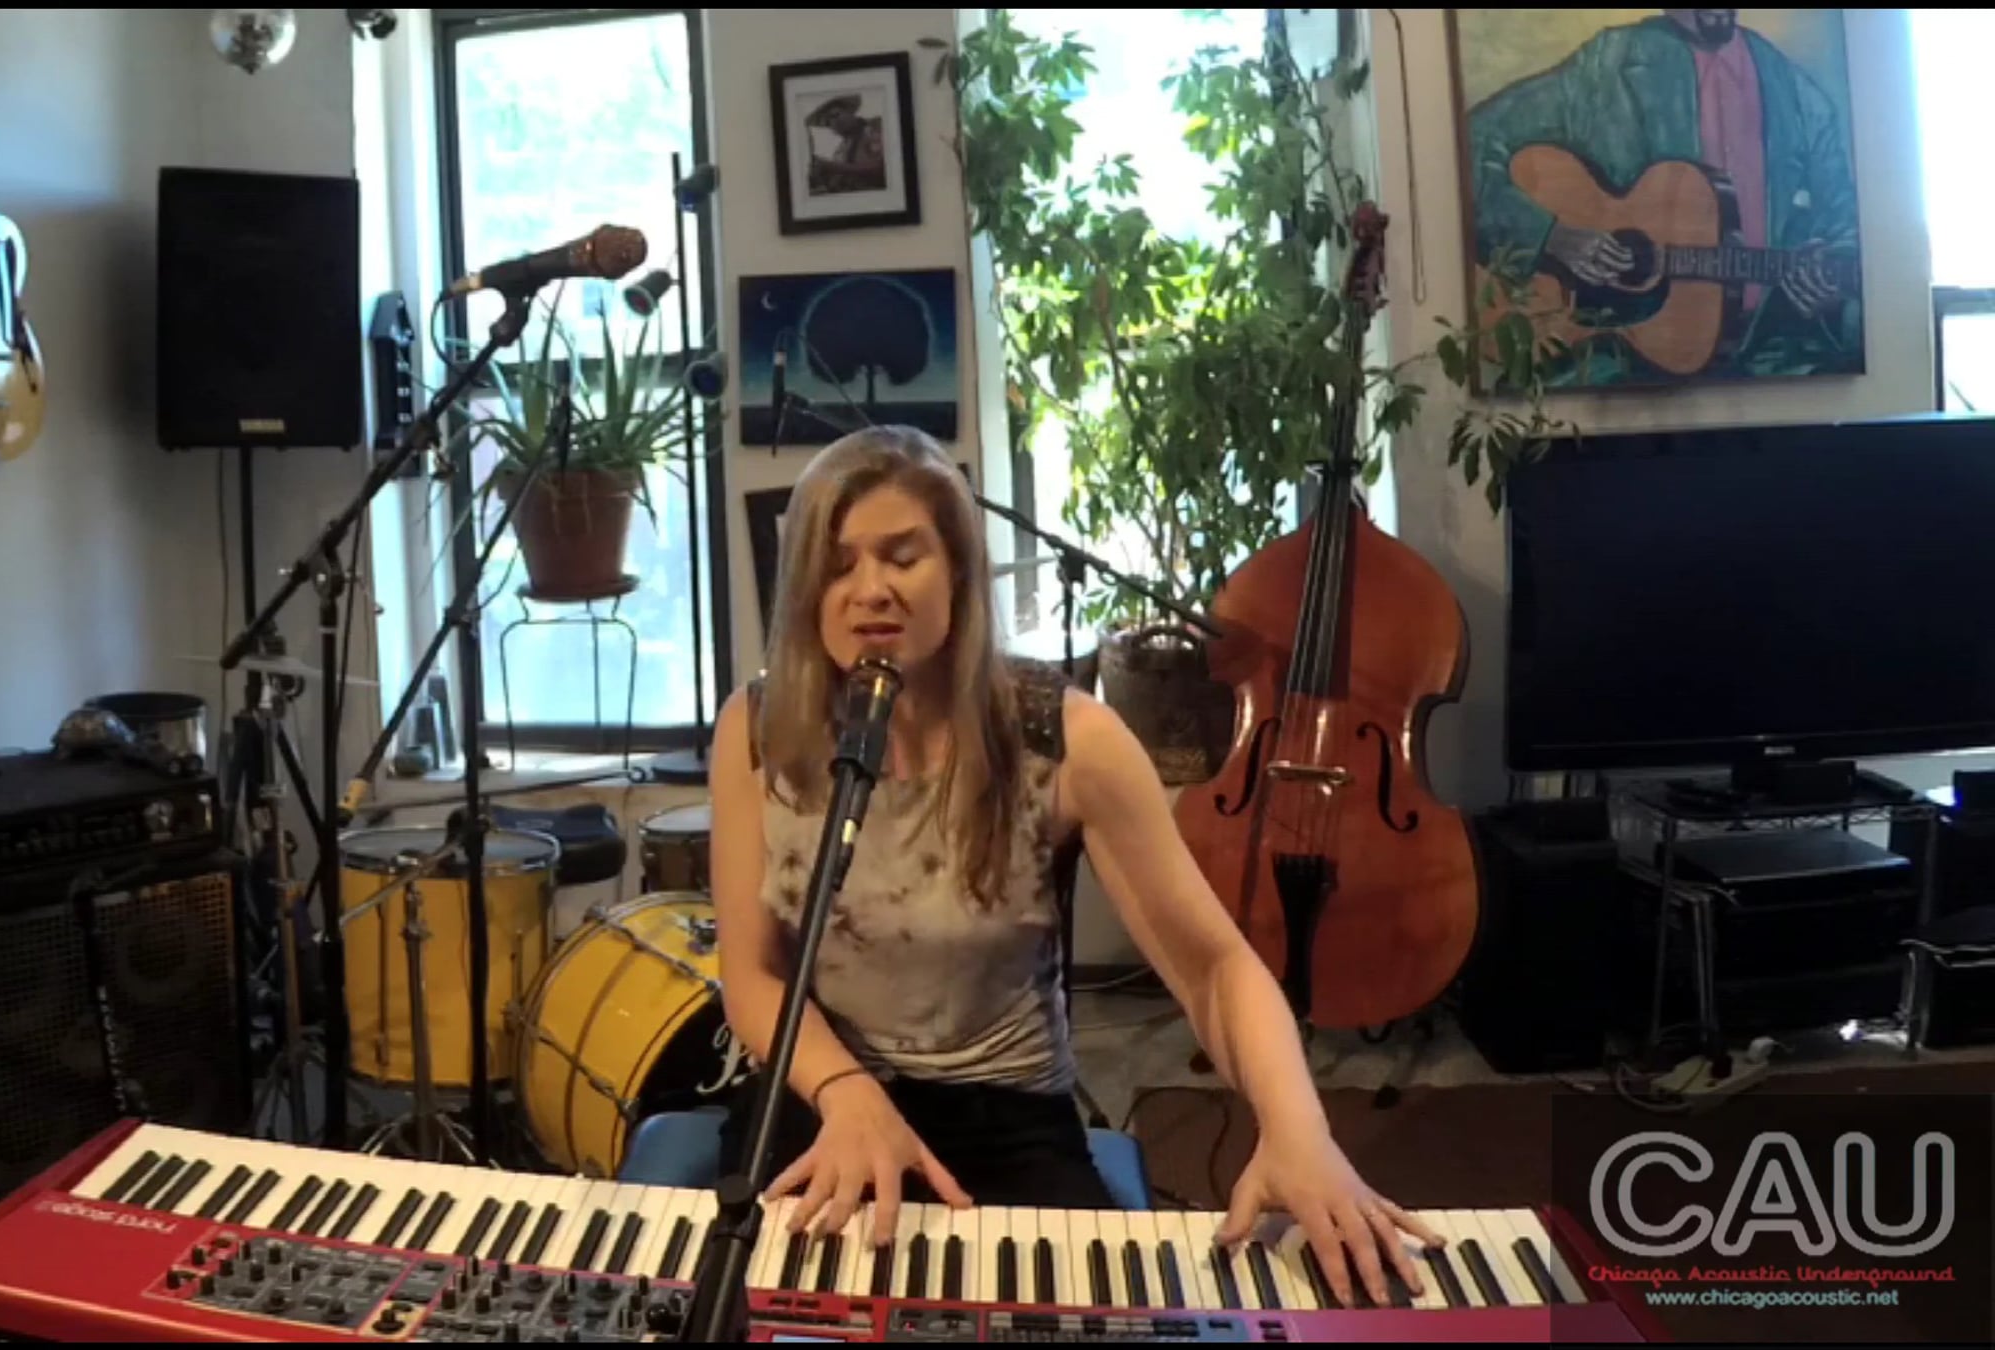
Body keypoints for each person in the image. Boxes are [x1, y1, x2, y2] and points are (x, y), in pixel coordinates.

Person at [707, 425, 1435, 1307]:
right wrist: (848, 1094)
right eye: (837, 565)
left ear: (959, 571)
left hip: (1005, 1114)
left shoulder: (1069, 737)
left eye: (902, 557)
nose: (869, 591)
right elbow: (753, 973)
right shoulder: (756, 728)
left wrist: (1298, 1129)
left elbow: (1213, 967)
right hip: (821, 1088)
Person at [1466, 8, 1860, 381]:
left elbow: (1849, 222)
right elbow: (1472, 142)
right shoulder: (1609, 65)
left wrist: (1833, 272)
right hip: (1617, 361)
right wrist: (1551, 236)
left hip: (1768, 355)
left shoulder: (1793, 91)